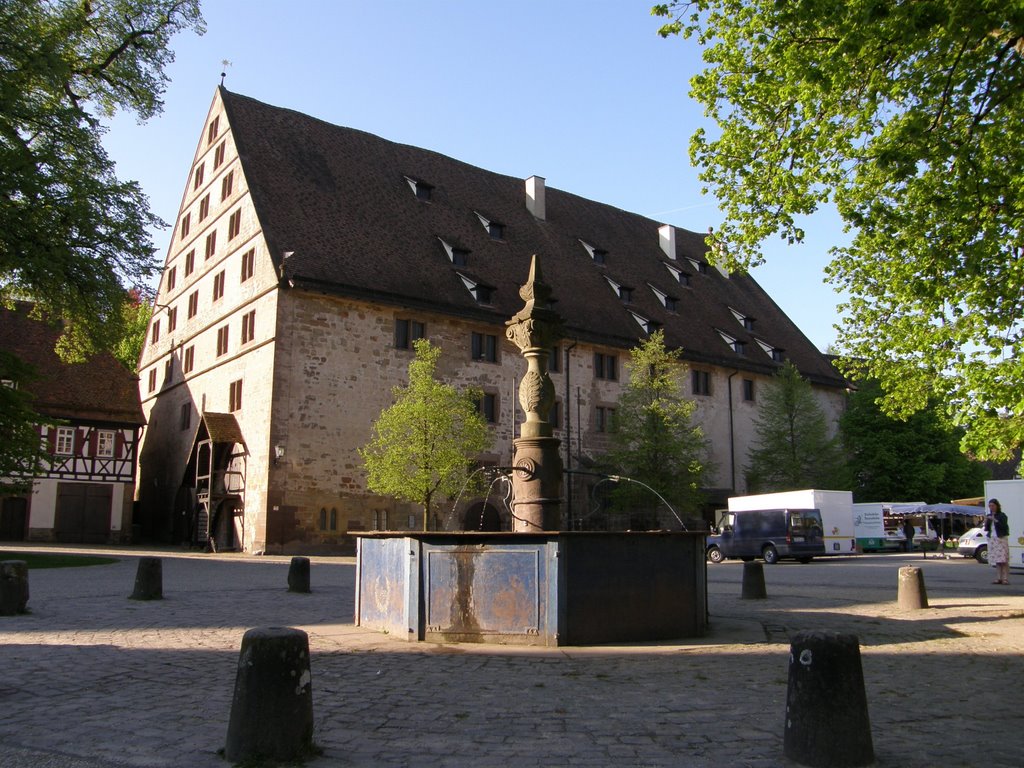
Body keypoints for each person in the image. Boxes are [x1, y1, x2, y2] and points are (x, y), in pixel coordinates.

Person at [984, 498, 1010, 585]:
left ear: (997, 506)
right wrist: (987, 521)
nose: (991, 507)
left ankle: (1005, 578)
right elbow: (987, 529)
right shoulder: (989, 515)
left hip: (1001, 538)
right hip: (993, 538)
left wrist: (995, 520)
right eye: (990, 506)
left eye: (993, 506)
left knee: (1003, 559)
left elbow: (1004, 527)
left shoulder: (1002, 515)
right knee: (997, 560)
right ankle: (998, 578)